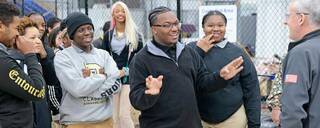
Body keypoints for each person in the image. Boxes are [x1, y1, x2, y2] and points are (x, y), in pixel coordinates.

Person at [129, 6, 244, 128]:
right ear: (154, 29)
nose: (174, 29)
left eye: (176, 24)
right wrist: (150, 93)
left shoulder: (188, 52)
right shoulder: (141, 59)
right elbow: (136, 100)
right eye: (167, 25)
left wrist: (221, 77)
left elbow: (203, 84)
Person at [188, 10, 260, 128]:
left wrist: (254, 123)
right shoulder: (191, 49)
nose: (216, 29)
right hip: (198, 117)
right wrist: (198, 51)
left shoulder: (237, 52)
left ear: (225, 27)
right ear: (203, 27)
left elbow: (251, 88)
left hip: (232, 117)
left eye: (220, 25)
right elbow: (183, 73)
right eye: (210, 25)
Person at [54, 12, 121, 128]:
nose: (87, 33)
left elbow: (116, 84)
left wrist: (91, 86)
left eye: (90, 28)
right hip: (77, 123)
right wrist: (103, 77)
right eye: (81, 30)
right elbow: (77, 89)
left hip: (105, 121)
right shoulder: (63, 57)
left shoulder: (103, 55)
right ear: (72, 35)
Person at [0, 2, 46, 128]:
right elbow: (38, 91)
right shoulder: (2, 61)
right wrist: (30, 54)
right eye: (16, 29)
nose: (17, 34)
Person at [102, 1, 144, 128]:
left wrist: (125, 71)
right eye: (117, 11)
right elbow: (104, 56)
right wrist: (112, 72)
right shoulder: (108, 35)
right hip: (113, 77)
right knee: (114, 115)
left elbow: (140, 58)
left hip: (128, 78)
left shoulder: (135, 34)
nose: (120, 13)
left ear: (127, 13)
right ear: (113, 14)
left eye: (122, 11)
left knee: (123, 115)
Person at [281, 0, 320, 127]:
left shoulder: (301, 53)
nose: (285, 22)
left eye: (288, 15)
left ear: (301, 18)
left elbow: (293, 112)